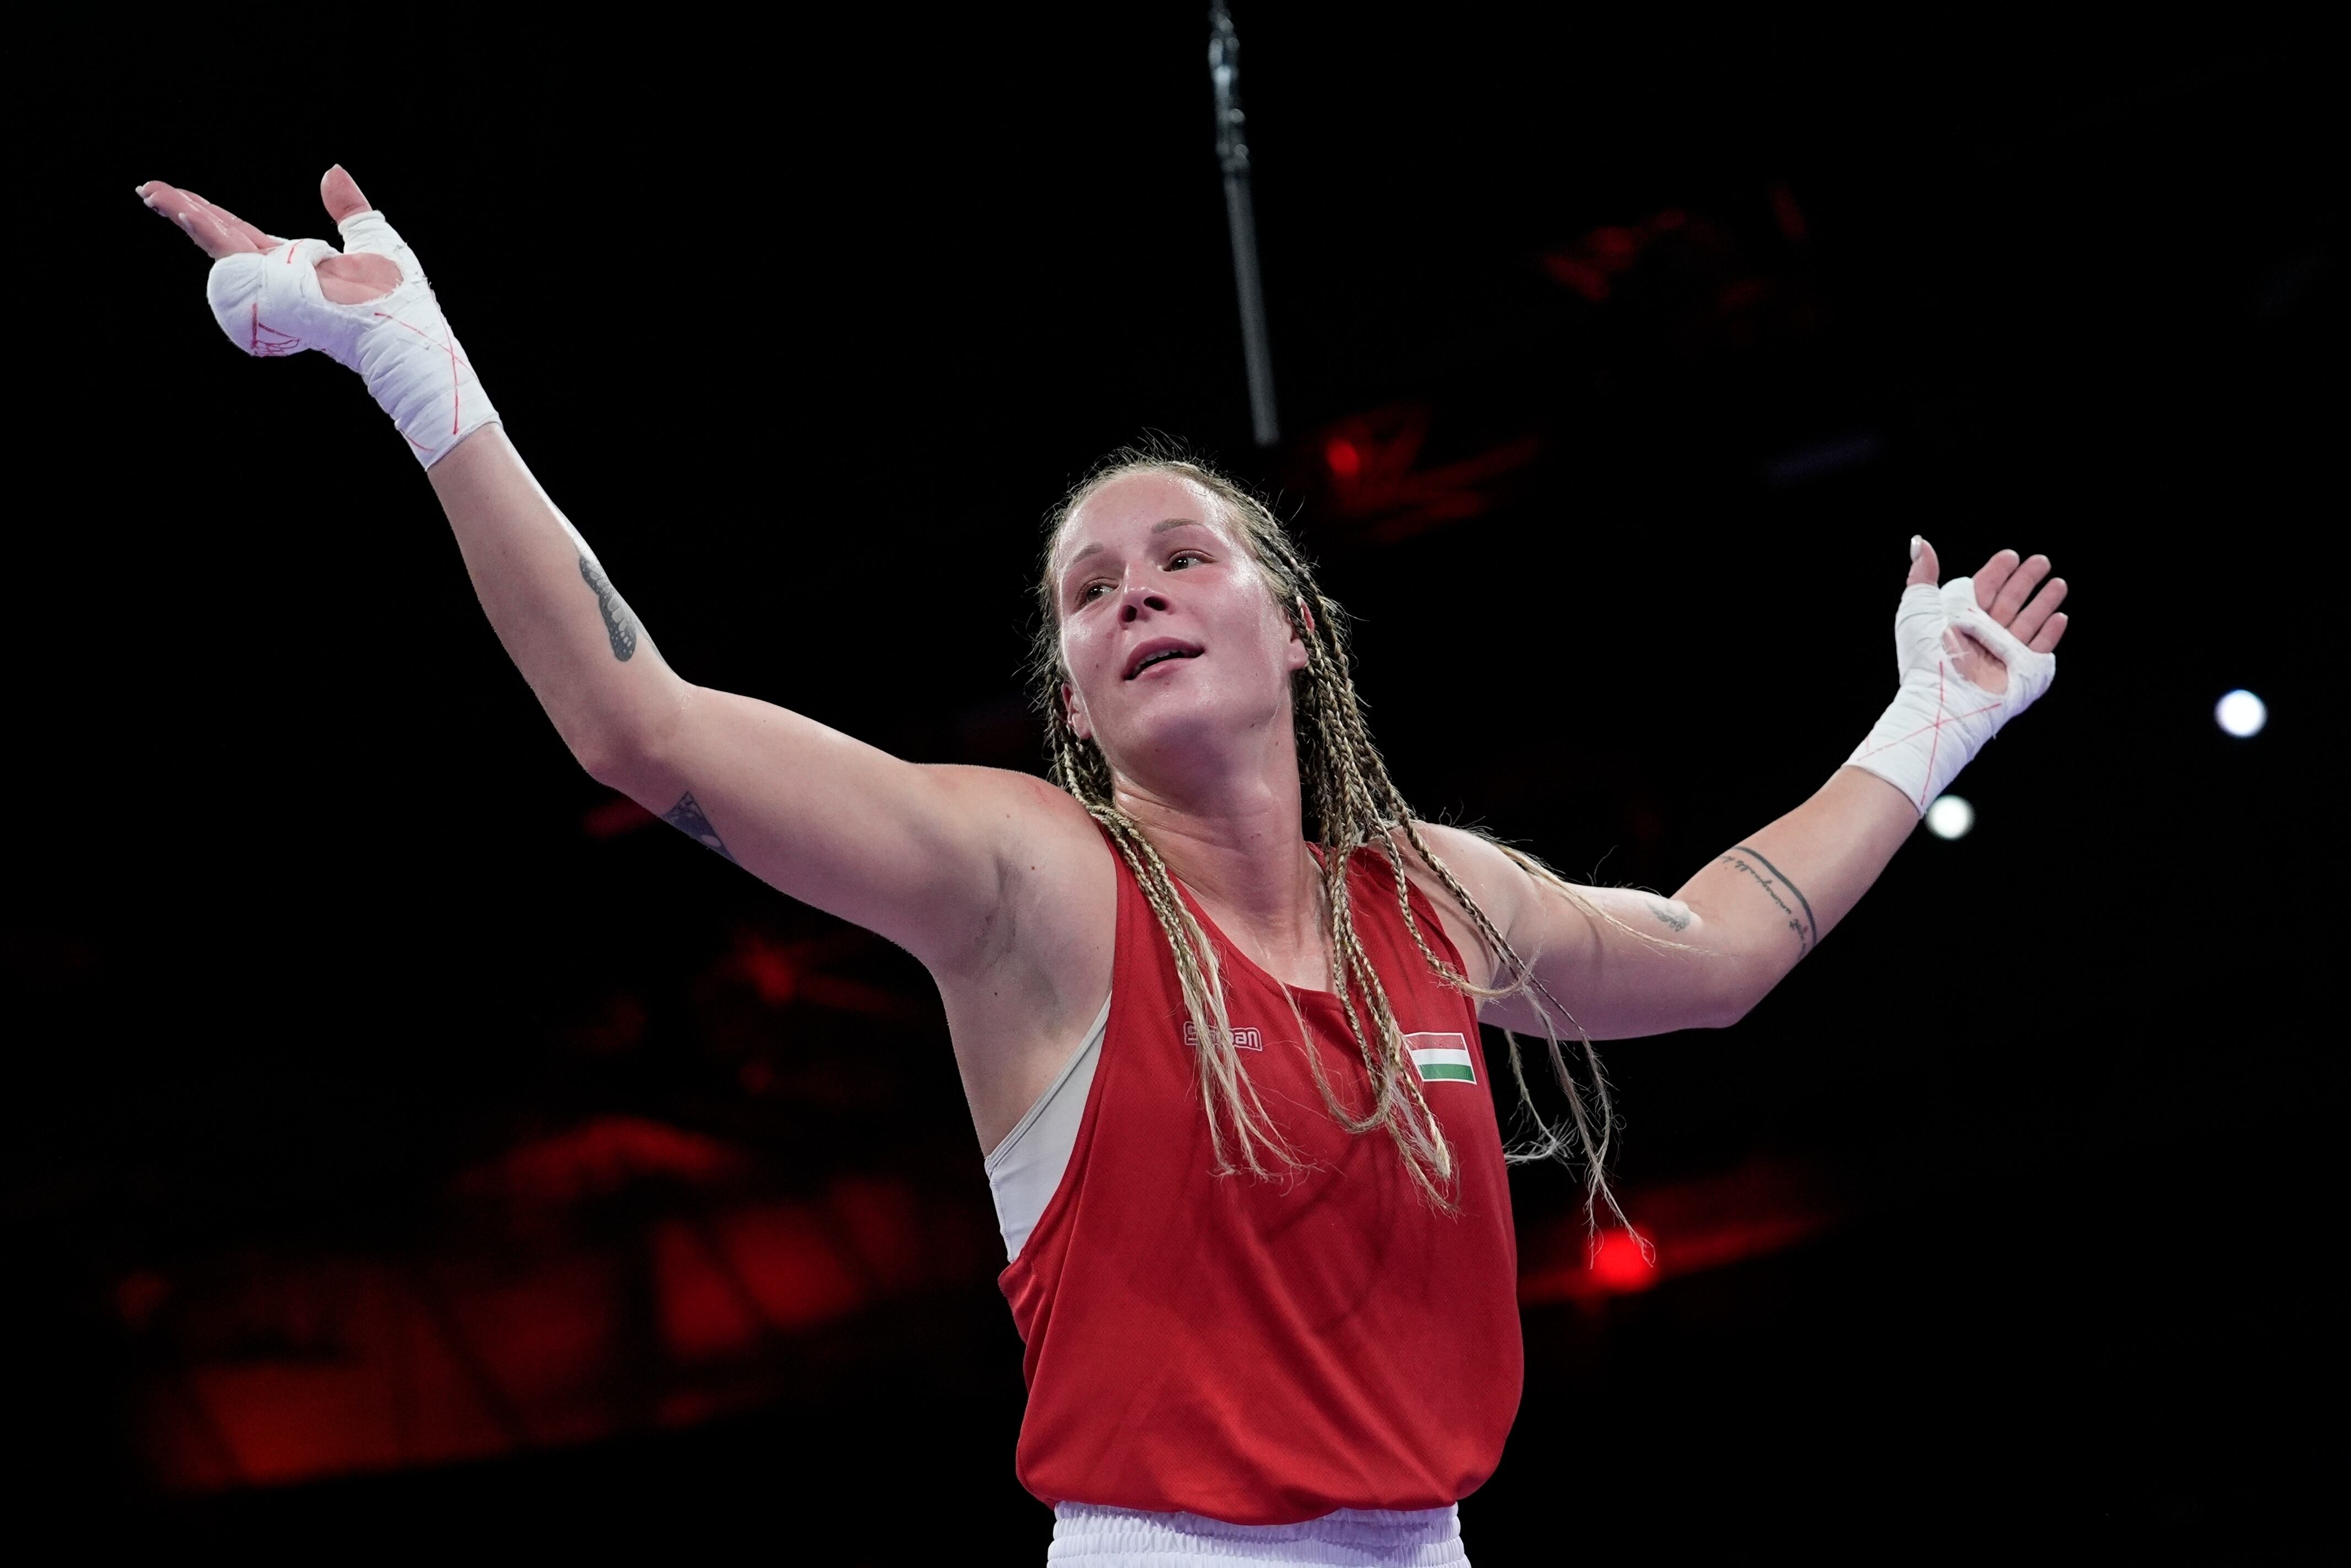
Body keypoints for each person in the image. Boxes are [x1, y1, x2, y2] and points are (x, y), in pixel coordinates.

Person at [137, 167, 2070, 1565]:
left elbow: (1722, 947)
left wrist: (1930, 726)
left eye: (1181, 559)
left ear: (1291, 626)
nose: (1134, 589)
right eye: (1088, 590)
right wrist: (417, 368)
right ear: (1070, 691)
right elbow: (642, 728)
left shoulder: (1435, 897)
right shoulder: (1036, 885)